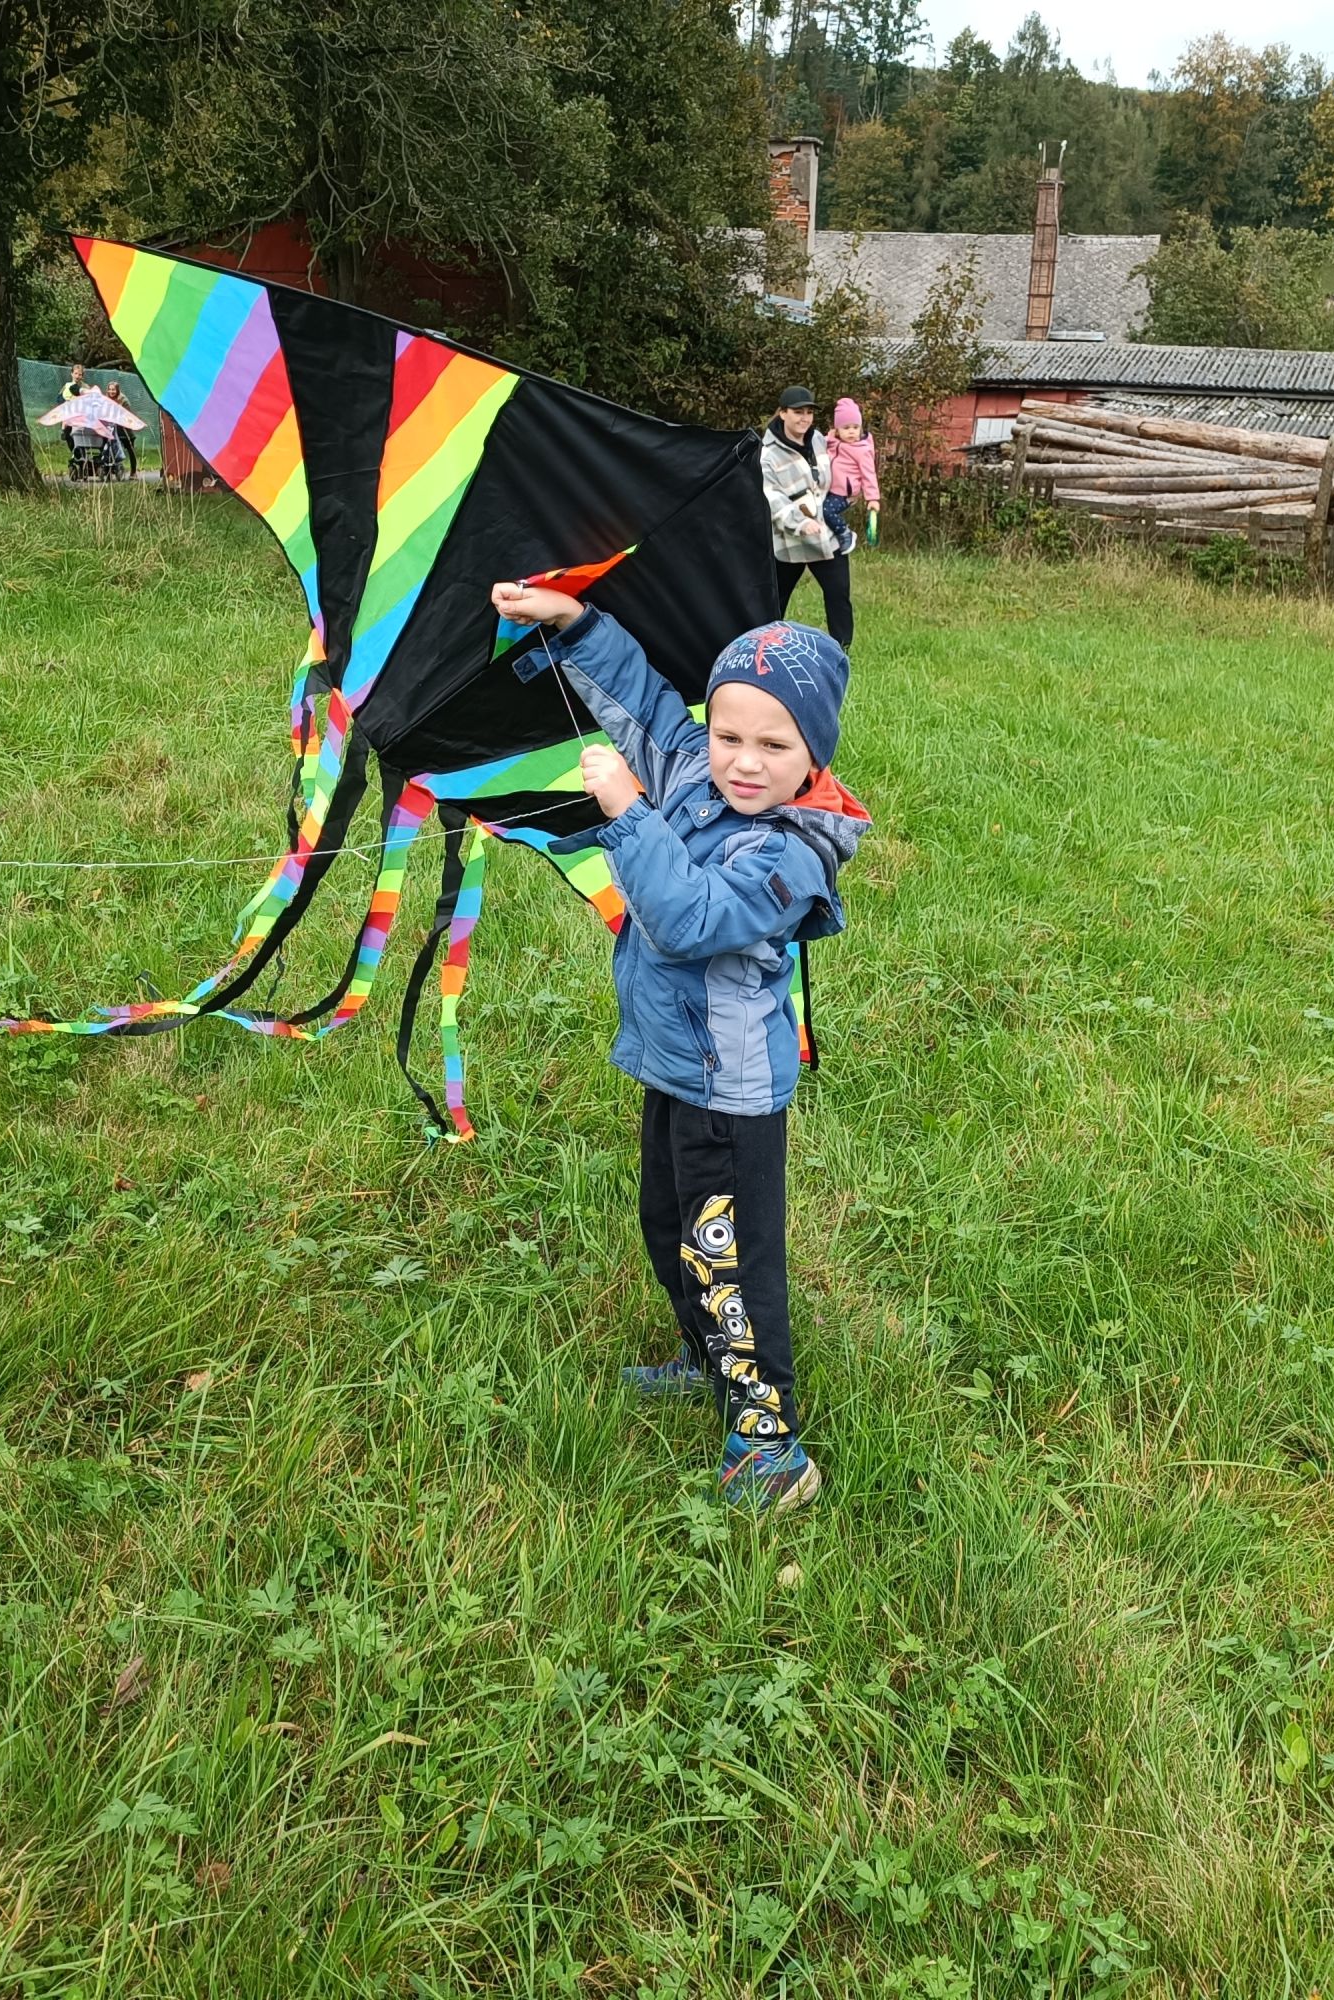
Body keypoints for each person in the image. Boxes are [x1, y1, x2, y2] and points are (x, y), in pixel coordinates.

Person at [487, 579, 868, 1513]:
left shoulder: (788, 854)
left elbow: (690, 919)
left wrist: (629, 813)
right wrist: (575, 624)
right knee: (669, 1227)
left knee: (727, 1259)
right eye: (729, 735)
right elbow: (646, 703)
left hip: (729, 1096)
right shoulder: (696, 767)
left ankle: (771, 1446)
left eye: (774, 746)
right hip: (673, 1067)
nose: (742, 762)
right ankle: (709, 1364)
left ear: (814, 754)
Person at [760, 386, 854, 649]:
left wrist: (851, 490)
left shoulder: (819, 441)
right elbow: (772, 498)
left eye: (809, 413)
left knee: (839, 595)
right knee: (775, 601)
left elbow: (845, 464)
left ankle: (842, 652)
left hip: (827, 536)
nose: (804, 418)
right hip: (790, 542)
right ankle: (764, 647)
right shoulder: (768, 454)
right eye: (798, 412)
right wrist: (799, 523)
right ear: (782, 413)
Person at [826, 397, 880, 549]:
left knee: (826, 511)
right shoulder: (833, 442)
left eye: (855, 427)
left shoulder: (861, 450)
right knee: (815, 510)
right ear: (837, 429)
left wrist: (872, 498)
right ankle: (828, 540)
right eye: (846, 427)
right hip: (828, 488)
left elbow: (869, 475)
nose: (851, 431)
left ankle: (845, 533)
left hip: (844, 493)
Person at [103, 381, 139, 476]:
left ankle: (133, 472)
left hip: (124, 429)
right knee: (107, 447)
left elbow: (127, 415)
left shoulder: (123, 400)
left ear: (117, 390)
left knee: (130, 449)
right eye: (110, 389)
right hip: (111, 428)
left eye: (113, 389)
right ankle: (107, 468)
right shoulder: (106, 400)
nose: (111, 391)